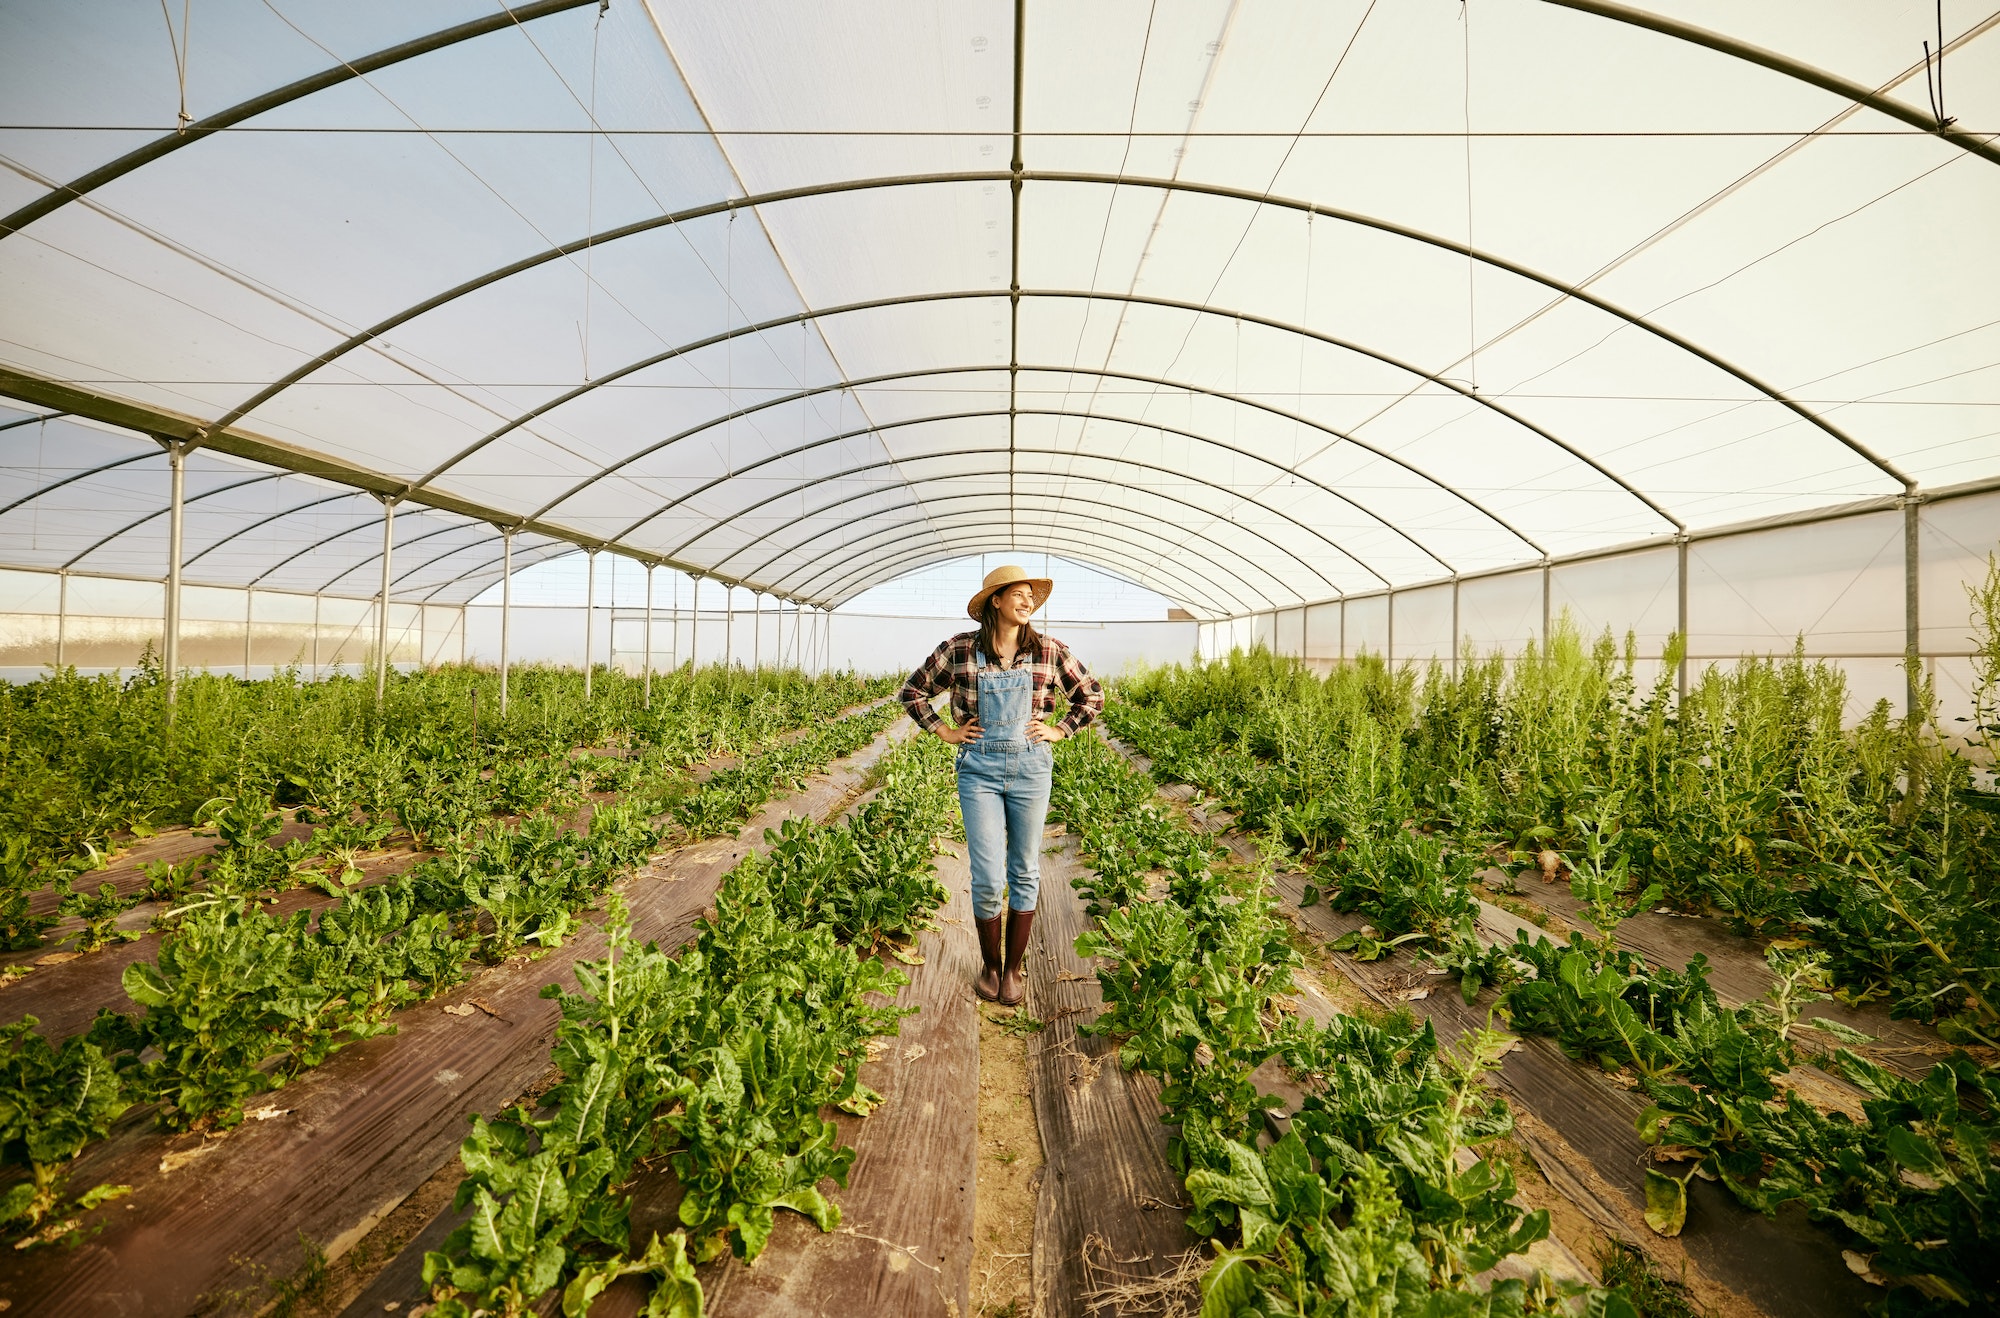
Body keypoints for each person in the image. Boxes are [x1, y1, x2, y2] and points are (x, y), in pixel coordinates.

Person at [899, 565, 1104, 1006]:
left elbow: (1092, 695)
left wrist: (1061, 729)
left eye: (1033, 596)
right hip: (979, 770)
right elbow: (913, 691)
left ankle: (1012, 970)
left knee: (1025, 869)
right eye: (1020, 594)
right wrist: (945, 731)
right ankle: (990, 966)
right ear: (996, 600)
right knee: (989, 876)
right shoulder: (958, 649)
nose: (1029, 602)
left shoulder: (1049, 650)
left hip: (1031, 768)